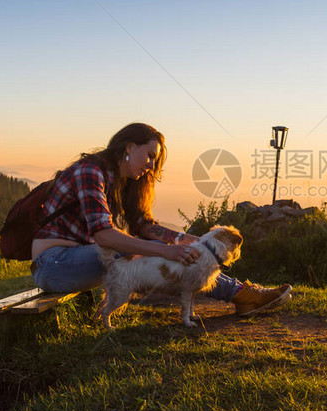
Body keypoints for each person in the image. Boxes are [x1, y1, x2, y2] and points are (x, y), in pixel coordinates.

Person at [30, 122, 292, 317]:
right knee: (129, 252)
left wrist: (188, 241)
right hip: (53, 264)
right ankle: (240, 294)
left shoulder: (120, 182)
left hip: (85, 257)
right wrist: (167, 251)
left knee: (152, 251)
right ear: (129, 147)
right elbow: (104, 236)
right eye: (150, 156)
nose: (151, 166)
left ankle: (241, 294)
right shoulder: (90, 172)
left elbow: (144, 226)